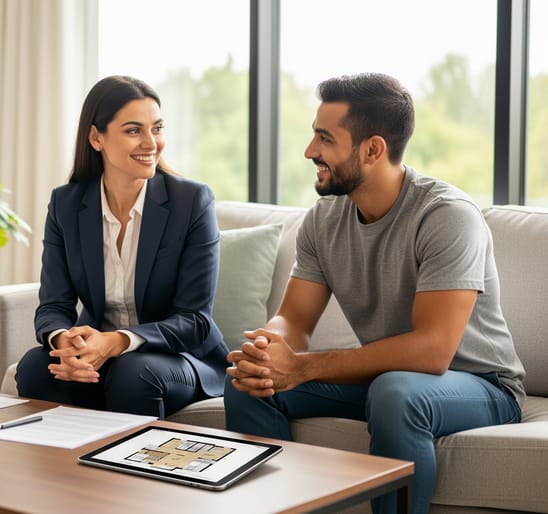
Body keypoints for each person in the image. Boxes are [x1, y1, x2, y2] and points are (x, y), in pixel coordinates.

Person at [224, 73, 525, 514]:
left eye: (324, 139)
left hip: (481, 385)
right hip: (387, 378)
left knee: (395, 392)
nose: (310, 151)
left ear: (373, 149)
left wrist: (303, 368)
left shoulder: (446, 216)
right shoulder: (324, 218)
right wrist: (269, 349)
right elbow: (296, 319)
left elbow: (432, 351)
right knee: (249, 383)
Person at [14, 75, 229, 419]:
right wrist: (63, 342)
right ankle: (63, 468)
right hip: (103, 351)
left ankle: (131, 471)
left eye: (157, 129)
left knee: (134, 373)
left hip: (180, 358)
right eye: (134, 131)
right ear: (96, 137)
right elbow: (53, 304)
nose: (151, 142)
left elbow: (194, 321)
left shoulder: (191, 201)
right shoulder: (66, 204)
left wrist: (117, 342)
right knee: (36, 367)